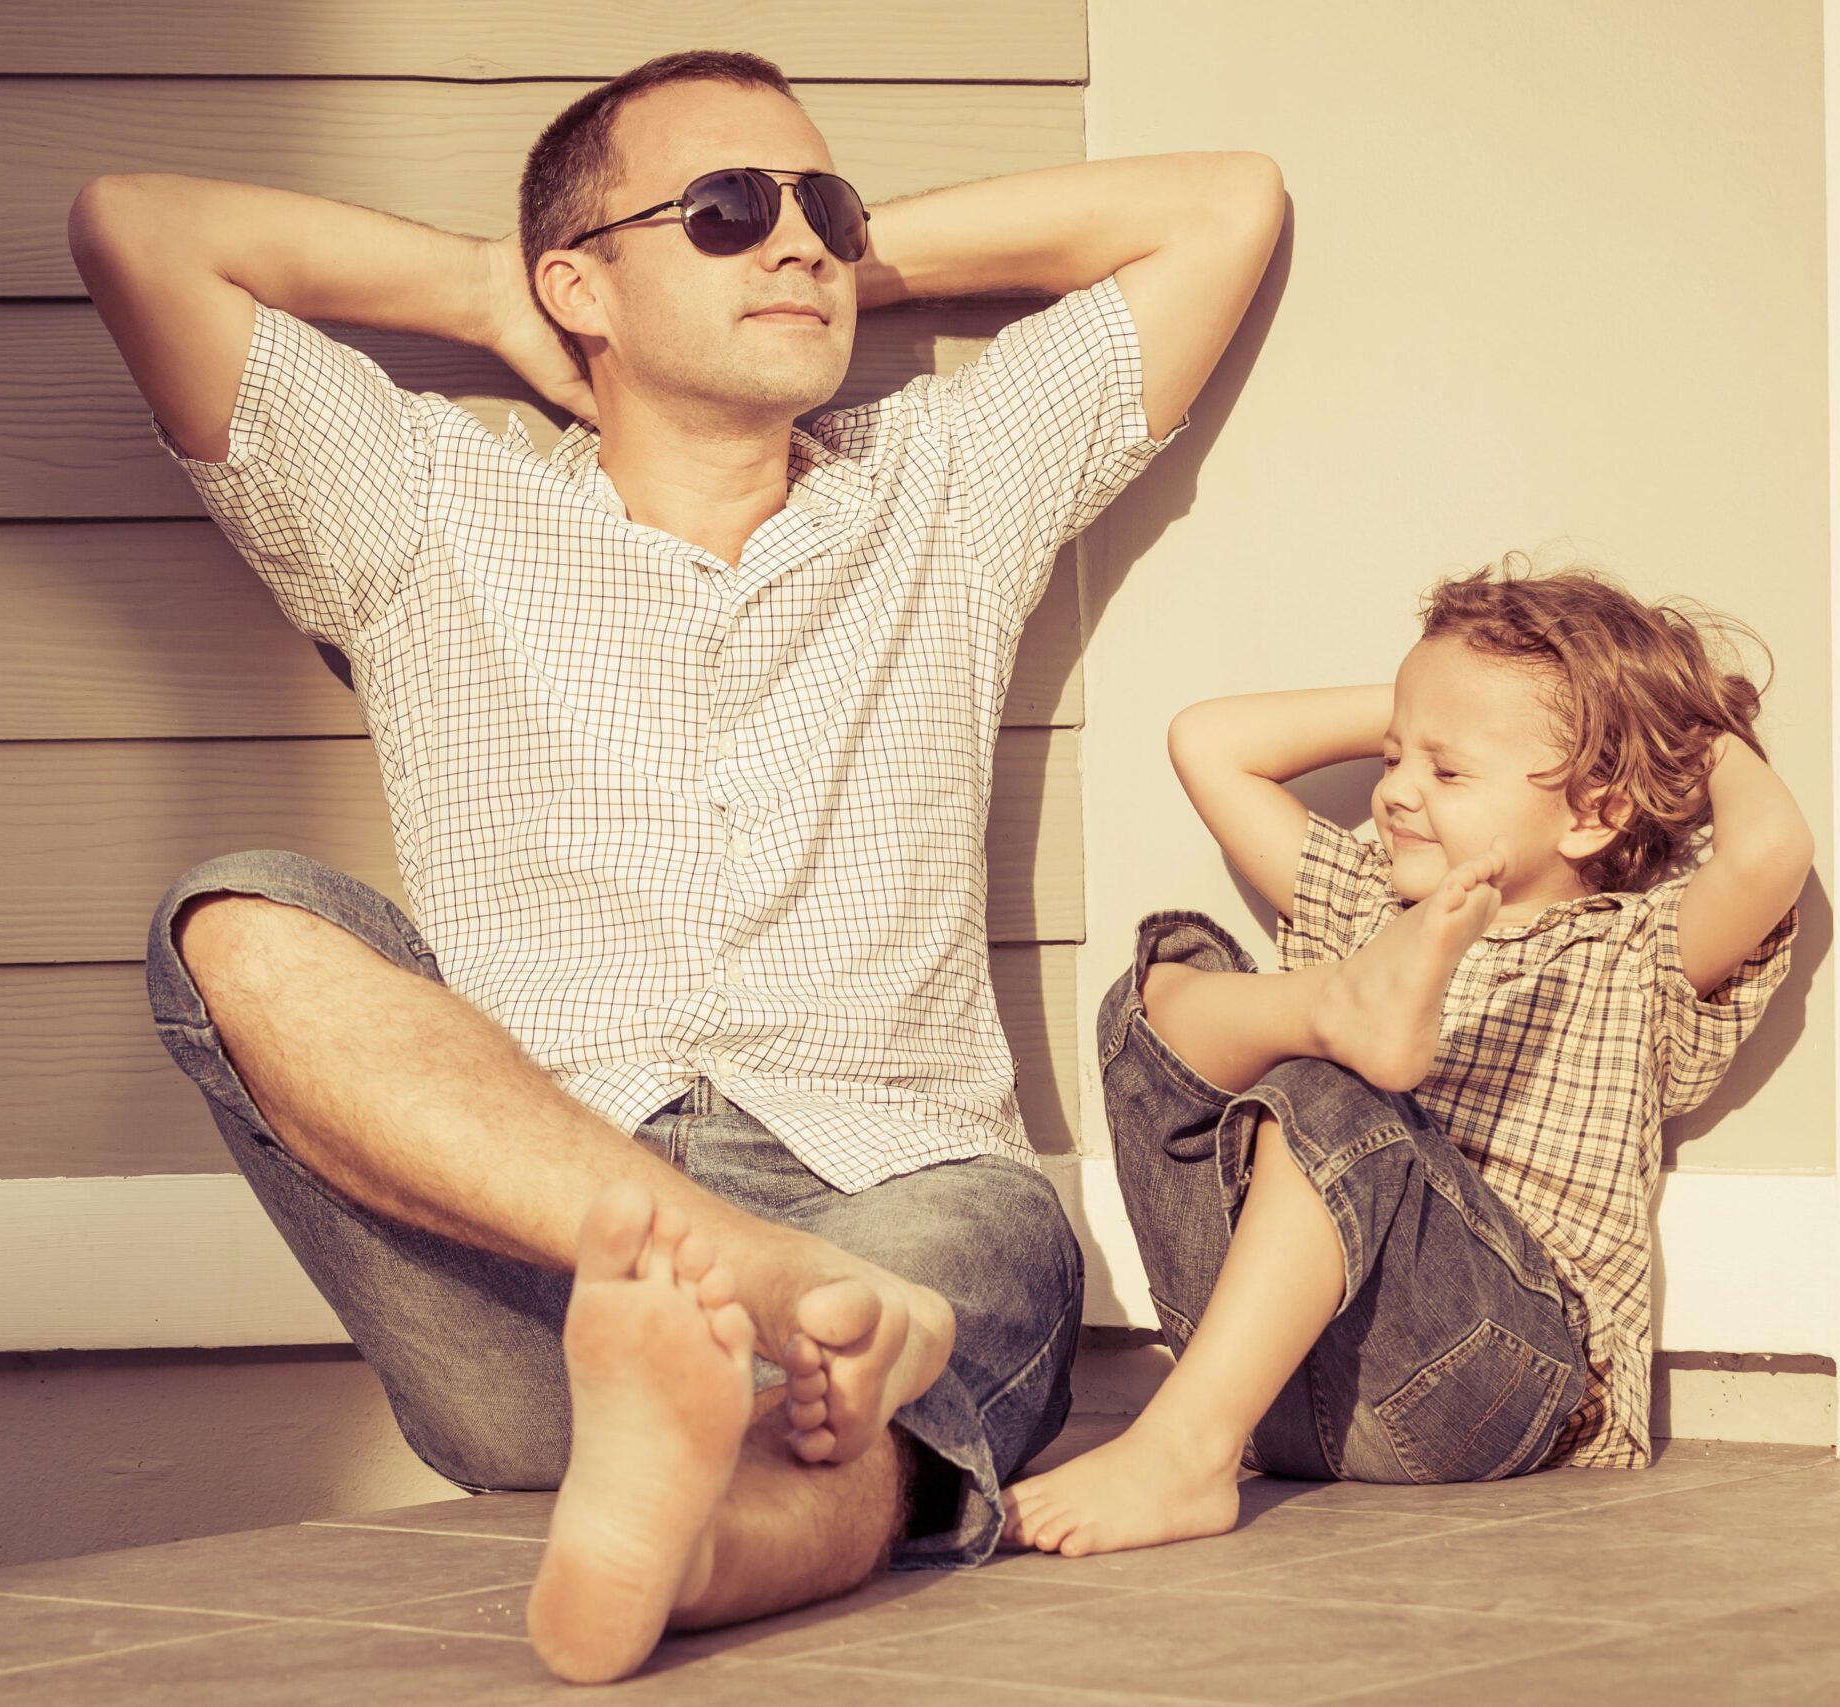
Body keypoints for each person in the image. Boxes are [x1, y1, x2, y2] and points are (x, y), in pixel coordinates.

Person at [66, 48, 1284, 1682]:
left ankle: (670, 1538)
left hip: (896, 1197)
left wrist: (808, 253)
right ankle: (766, 1304)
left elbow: (1219, 208)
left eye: (820, 208)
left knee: (909, 1333)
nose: (797, 244)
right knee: (235, 915)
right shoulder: (429, 500)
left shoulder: (943, 486)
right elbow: (137, 231)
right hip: (535, 1264)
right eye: (722, 210)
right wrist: (493, 295)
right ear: (582, 281)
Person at [1003, 559, 1811, 1558]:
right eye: (1394, 757)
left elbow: (1770, 851)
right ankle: (1336, 1016)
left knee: (1321, 1092)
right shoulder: (1360, 900)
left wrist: (1680, 722)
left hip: (1491, 1382)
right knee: (1155, 997)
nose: (1394, 793)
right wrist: (1433, 704)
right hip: (1284, 1397)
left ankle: (1178, 1450)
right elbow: (1207, 743)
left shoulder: (1632, 951)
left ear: (1594, 810)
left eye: (1448, 771)